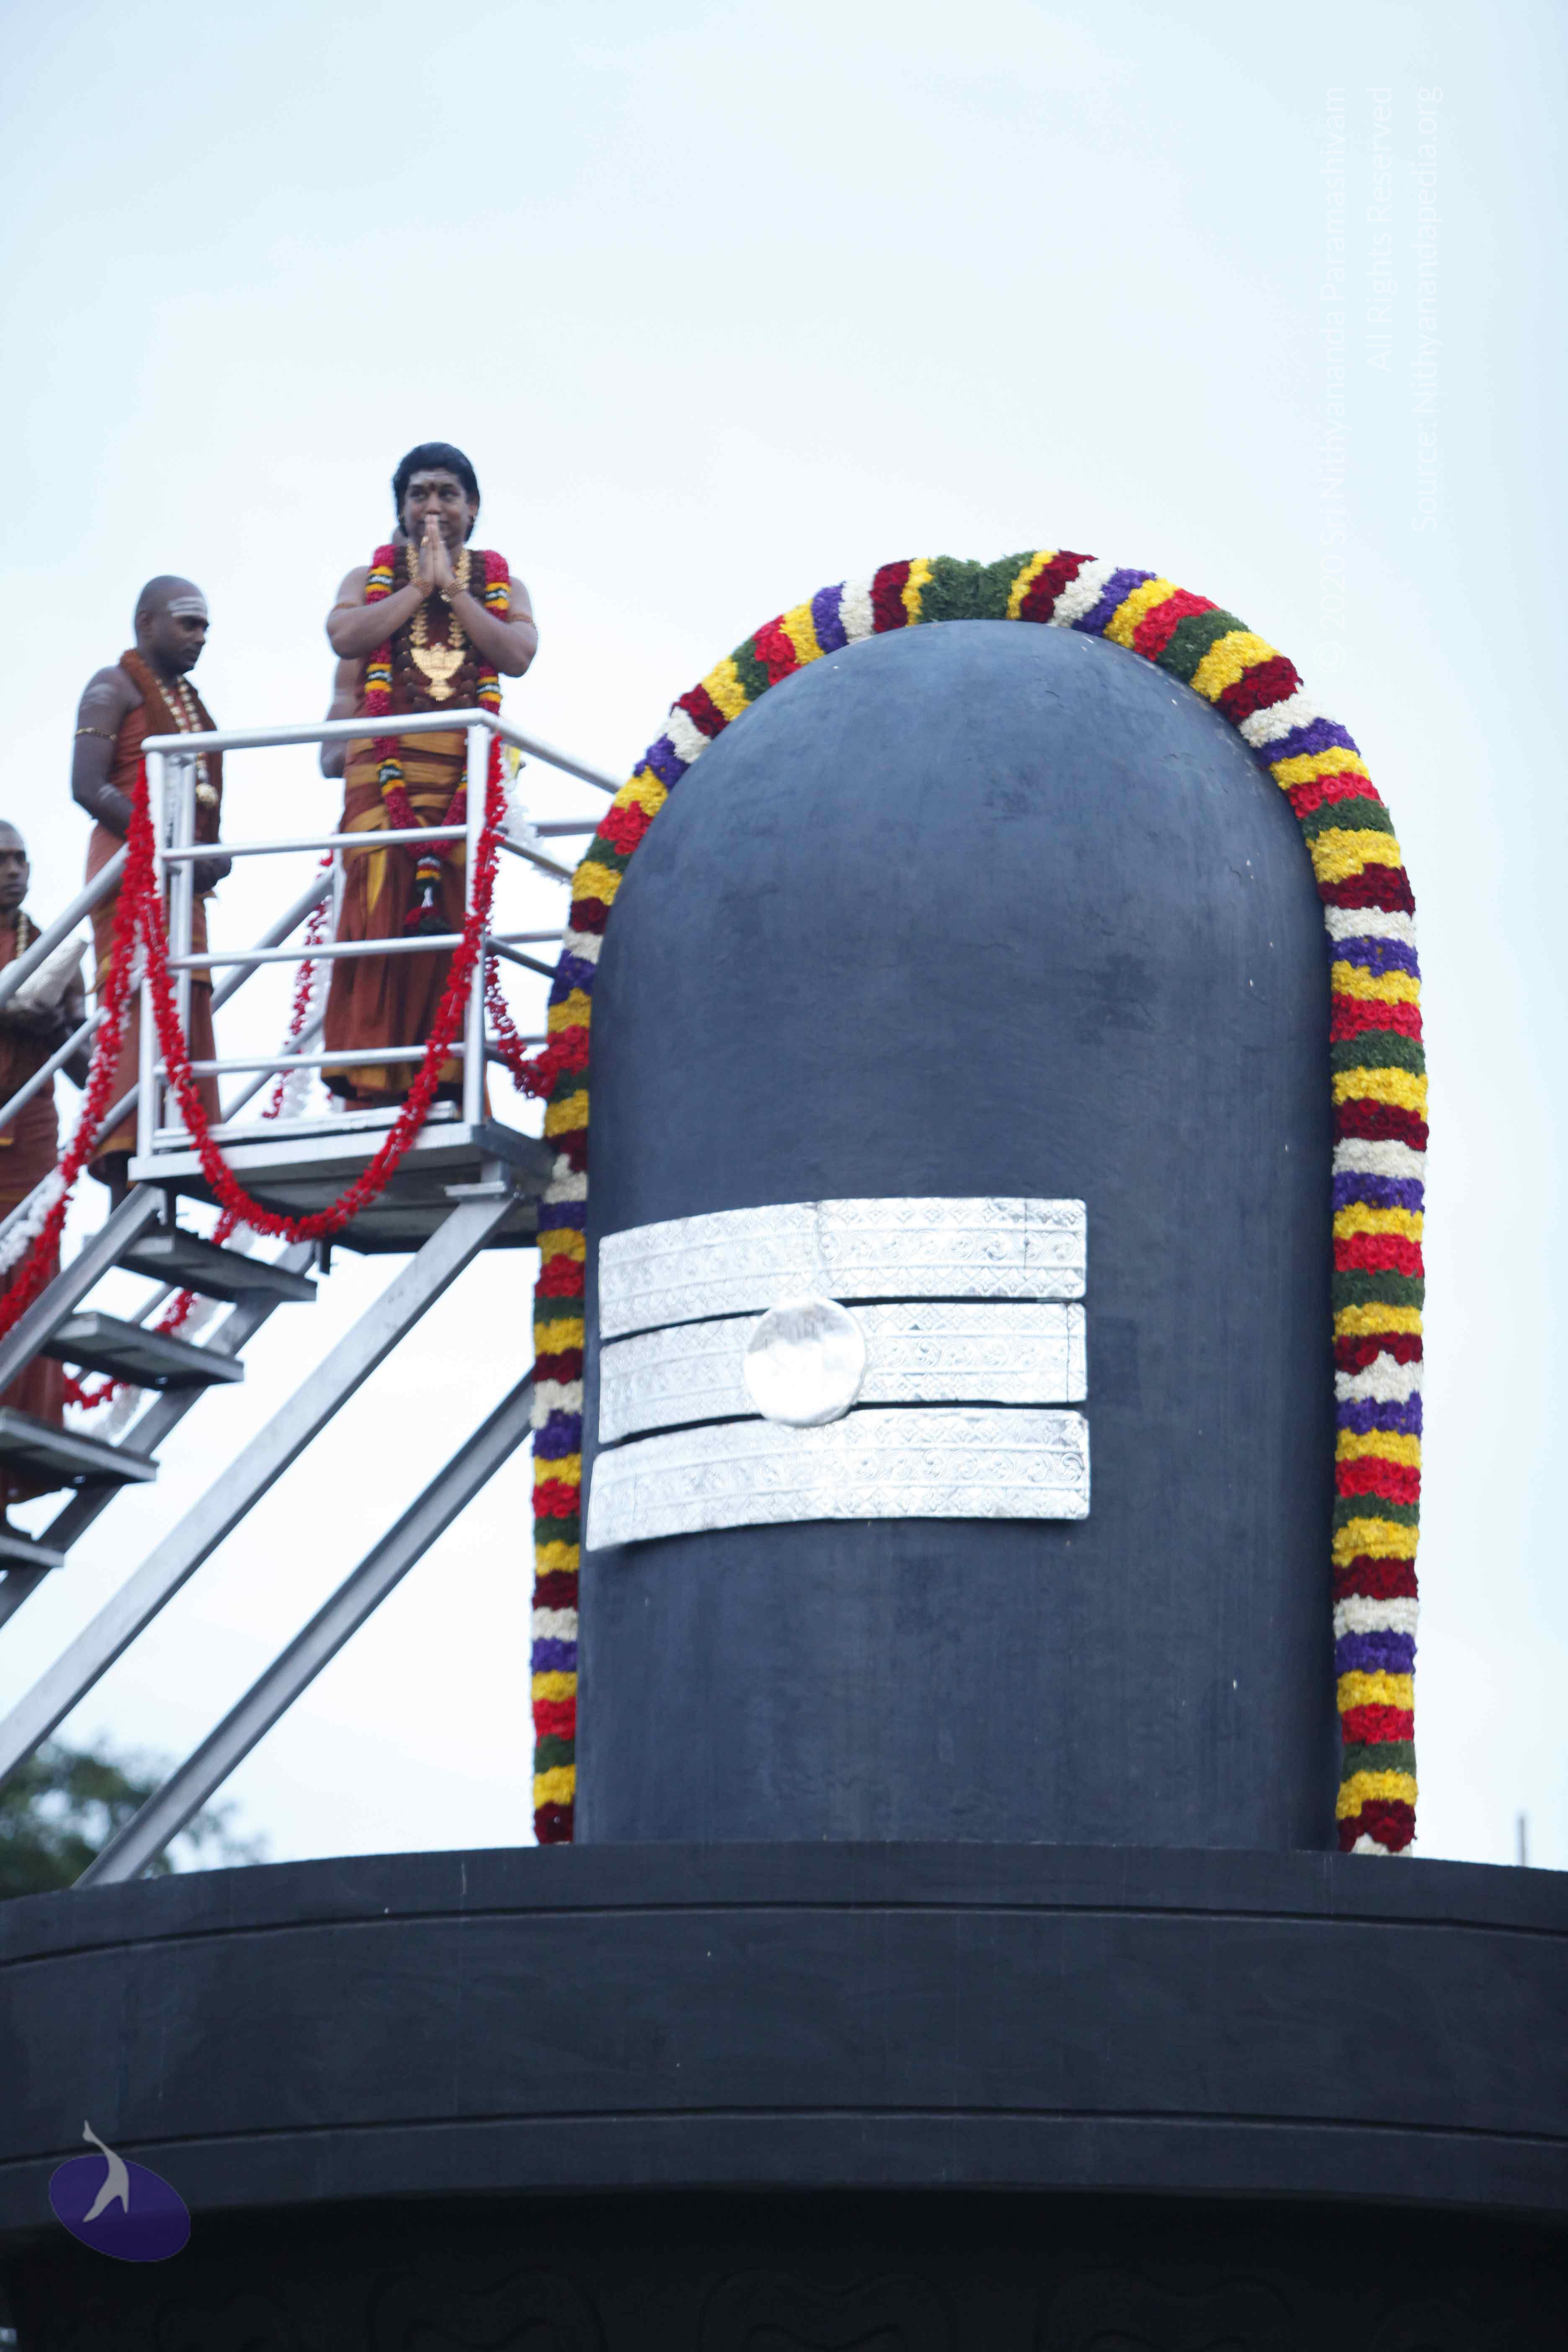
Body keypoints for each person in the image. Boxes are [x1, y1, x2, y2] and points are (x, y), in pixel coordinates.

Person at [320, 444, 537, 1109]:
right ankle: (370, 1082)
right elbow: (344, 636)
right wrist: (418, 587)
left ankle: (443, 1082)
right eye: (419, 494)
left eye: (448, 493)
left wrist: (453, 592)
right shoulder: (370, 576)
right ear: (402, 509)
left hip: (459, 782)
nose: (433, 506)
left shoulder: (504, 585)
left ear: (473, 509)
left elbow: (518, 654)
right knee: (380, 902)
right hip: (382, 779)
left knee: (447, 915)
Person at [71, 578, 230, 1194]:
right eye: (188, 623)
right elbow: (87, 788)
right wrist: (163, 843)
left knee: (186, 989)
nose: (201, 637)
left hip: (179, 875)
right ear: (145, 624)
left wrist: (208, 854)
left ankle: (182, 1150)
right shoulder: (112, 686)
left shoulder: (188, 700)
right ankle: (124, 1176)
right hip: (129, 868)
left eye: (205, 627)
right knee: (137, 999)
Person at [0, 824, 90, 1513]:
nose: (13, 872)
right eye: (0, 861)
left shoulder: (56, 942)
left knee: (29, 1279)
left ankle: (21, 1450)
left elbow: (88, 1064)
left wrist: (52, 1029)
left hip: (30, 1136)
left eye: (21, 859)